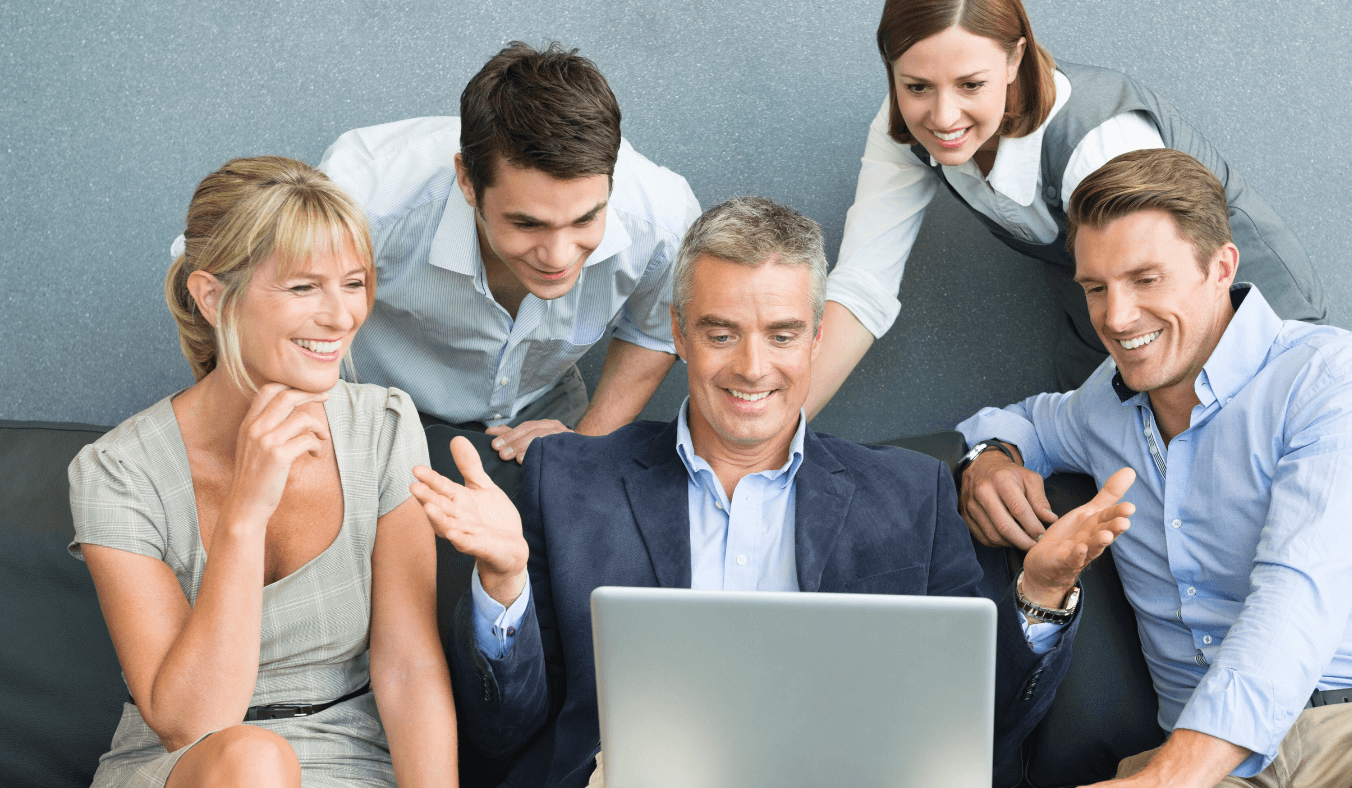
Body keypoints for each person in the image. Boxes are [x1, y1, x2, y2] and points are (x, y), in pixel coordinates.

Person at [410, 196, 1140, 788]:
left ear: (817, 338)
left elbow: (979, 728)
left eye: (782, 335)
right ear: (680, 333)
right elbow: (504, 731)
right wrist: (502, 583)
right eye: (722, 334)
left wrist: (1039, 594)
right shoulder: (570, 478)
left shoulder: (910, 494)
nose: (753, 368)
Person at [956, 148, 1352, 787]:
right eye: (1096, 288)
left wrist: (1170, 778)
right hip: (1211, 771)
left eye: (1145, 279)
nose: (1116, 317)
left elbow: (1296, 594)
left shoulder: (1330, 379)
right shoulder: (1102, 403)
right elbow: (1014, 422)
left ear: (1221, 267)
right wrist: (988, 460)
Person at [68, 157, 456, 788]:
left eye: (353, 283)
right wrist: (245, 514)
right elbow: (191, 723)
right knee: (253, 761)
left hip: (349, 760)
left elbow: (409, 666)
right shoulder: (116, 472)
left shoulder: (384, 426)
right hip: (190, 765)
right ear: (213, 295)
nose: (341, 317)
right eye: (305, 288)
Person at [808, 0, 1330, 417]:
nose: (943, 115)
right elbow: (863, 287)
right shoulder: (909, 121)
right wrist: (775, 430)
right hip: (1105, 312)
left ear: (1015, 59)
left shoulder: (1099, 137)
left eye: (971, 84)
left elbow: (1168, 291)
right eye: (916, 85)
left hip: (1217, 304)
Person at [317, 41, 701, 493]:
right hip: (376, 405)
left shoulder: (663, 222)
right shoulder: (361, 201)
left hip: (543, 404)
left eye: (584, 219)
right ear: (467, 180)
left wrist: (587, 441)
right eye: (526, 223)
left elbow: (654, 329)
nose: (558, 257)